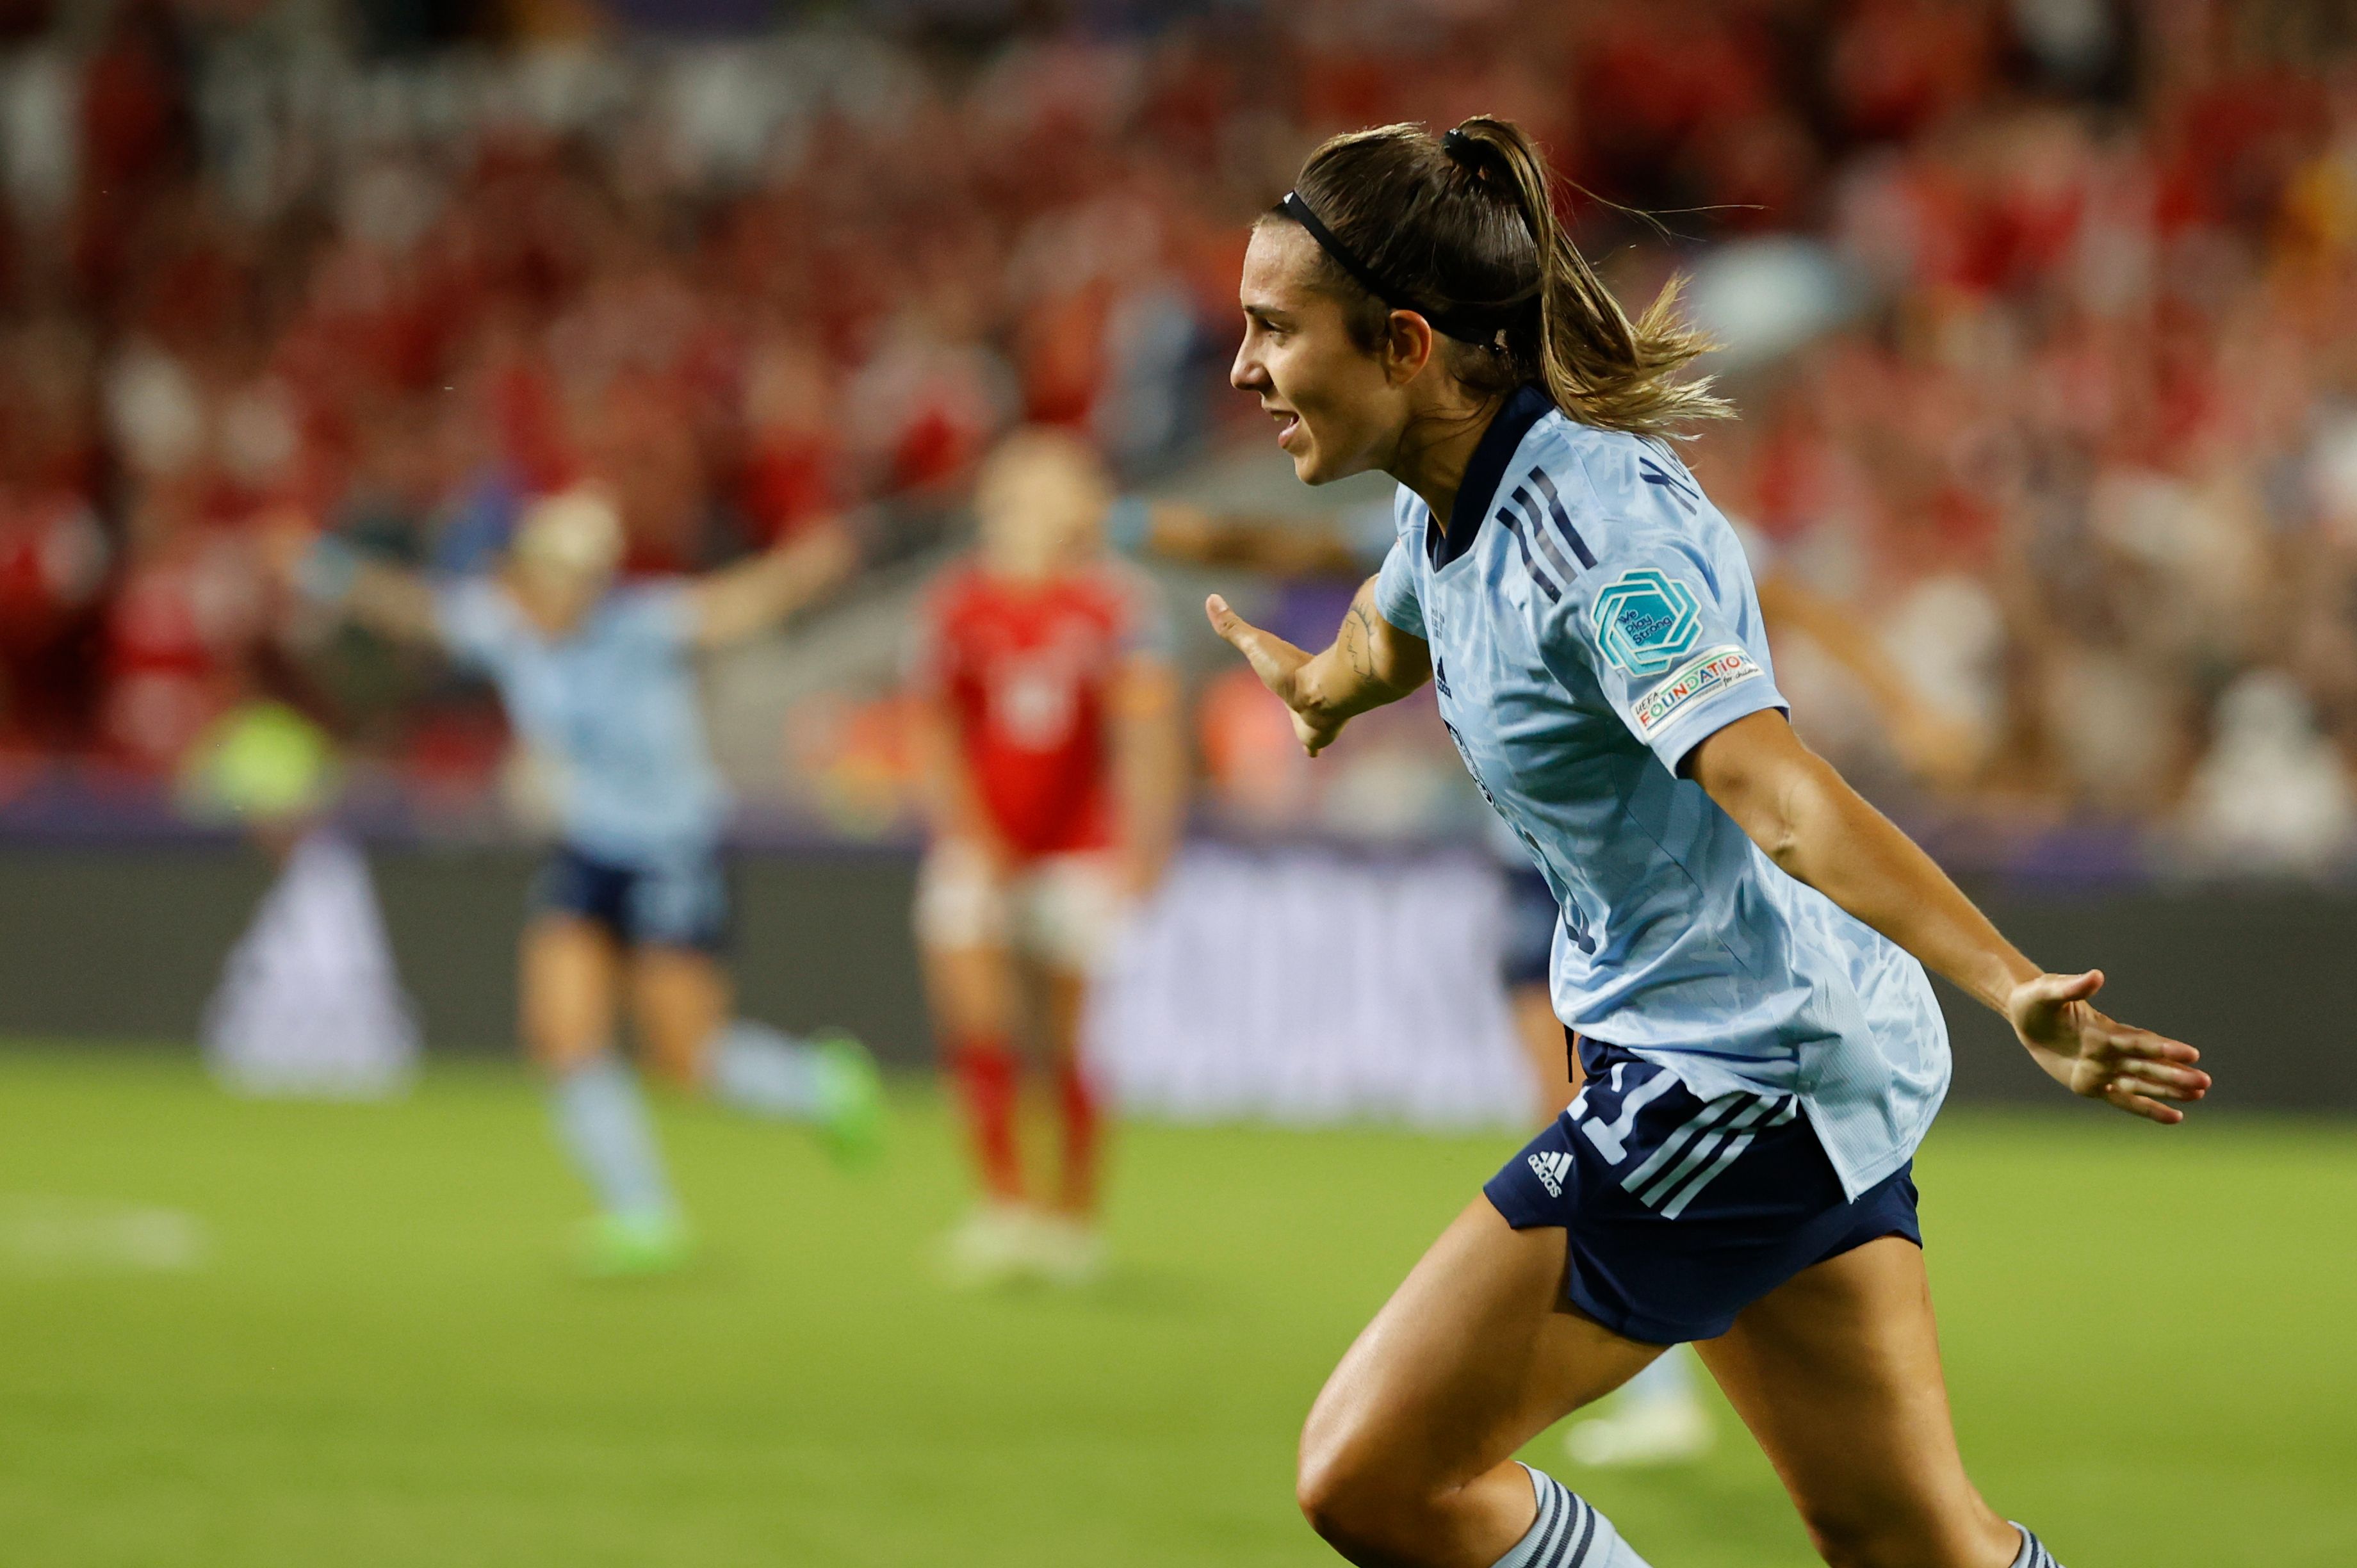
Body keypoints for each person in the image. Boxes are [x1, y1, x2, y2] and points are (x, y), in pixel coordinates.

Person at [1207, 117, 2208, 1568]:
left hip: (1738, 1066)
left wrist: (2008, 989)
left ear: (1406, 342)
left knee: (1372, 1471)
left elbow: (1777, 791)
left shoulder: (1595, 530)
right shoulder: (1452, 496)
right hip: (1740, 1044)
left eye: (1270, 330)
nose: (1240, 368)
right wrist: (1325, 687)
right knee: (1910, 1537)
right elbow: (1394, 618)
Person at [288, 487, 884, 1276]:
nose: (558, 590)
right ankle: (643, 1214)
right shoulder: (509, 629)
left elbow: (736, 606)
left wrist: (810, 566)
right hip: (591, 850)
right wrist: (319, 565)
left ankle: (818, 1085)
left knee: (686, 1059)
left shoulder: (638, 627)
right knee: (561, 1032)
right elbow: (416, 609)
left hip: (674, 851)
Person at [909, 428, 1185, 1287]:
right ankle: (1003, 1204)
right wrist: (966, 832)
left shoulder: (1116, 607)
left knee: (1067, 1037)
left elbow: (1147, 733)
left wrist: (1149, 843)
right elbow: (935, 728)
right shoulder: (958, 604)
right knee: (979, 1022)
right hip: (980, 847)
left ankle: (1071, 1217)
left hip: (1079, 850)